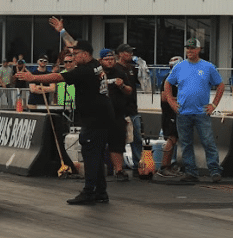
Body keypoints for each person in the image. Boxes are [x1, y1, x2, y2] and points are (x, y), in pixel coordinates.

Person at [17, 40, 113, 204]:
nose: (73, 58)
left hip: (94, 118)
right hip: (103, 115)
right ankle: (100, 192)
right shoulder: (96, 64)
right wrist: (62, 32)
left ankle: (89, 191)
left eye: (75, 55)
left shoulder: (84, 71)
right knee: (96, 154)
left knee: (90, 155)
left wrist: (34, 77)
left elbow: (58, 76)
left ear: (84, 54)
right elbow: (74, 44)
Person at [162, 38, 225, 183]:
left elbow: (221, 85)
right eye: (187, 49)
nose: (189, 51)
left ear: (199, 49)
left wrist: (214, 105)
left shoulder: (208, 67)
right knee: (186, 143)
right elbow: (167, 83)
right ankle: (191, 171)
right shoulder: (179, 67)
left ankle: (215, 171)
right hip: (183, 112)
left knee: (208, 142)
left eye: (192, 48)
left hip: (202, 112)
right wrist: (171, 100)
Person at [99, 48, 134, 181]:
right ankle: (99, 169)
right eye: (107, 59)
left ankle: (118, 170)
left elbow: (130, 90)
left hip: (117, 114)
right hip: (100, 114)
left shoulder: (120, 72)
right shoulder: (97, 73)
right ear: (101, 60)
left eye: (111, 59)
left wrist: (122, 85)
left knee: (117, 144)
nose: (109, 62)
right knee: (99, 143)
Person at [116, 43, 144, 171]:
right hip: (119, 109)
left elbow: (146, 83)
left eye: (131, 52)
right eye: (128, 52)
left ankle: (138, 164)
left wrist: (143, 68)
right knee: (119, 138)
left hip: (133, 108)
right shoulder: (116, 68)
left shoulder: (133, 69)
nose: (131, 55)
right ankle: (118, 165)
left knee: (137, 137)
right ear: (121, 54)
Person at [155, 56, 184, 179]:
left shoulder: (179, 79)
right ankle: (164, 167)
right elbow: (164, 97)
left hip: (176, 113)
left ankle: (169, 165)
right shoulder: (169, 79)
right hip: (169, 114)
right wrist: (180, 100)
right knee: (171, 139)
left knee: (174, 139)